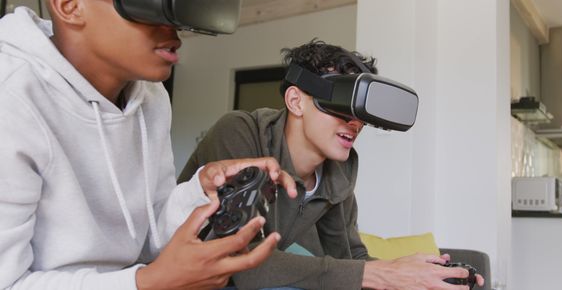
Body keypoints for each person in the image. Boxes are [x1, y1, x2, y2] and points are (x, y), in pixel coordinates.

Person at [0, 0, 298, 289]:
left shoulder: (152, 97)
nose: (174, 30)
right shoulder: (10, 97)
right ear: (69, 5)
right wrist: (149, 282)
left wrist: (201, 190)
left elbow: (149, 233)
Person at [179, 39, 485, 290]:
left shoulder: (337, 174)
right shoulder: (241, 134)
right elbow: (242, 263)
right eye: (341, 106)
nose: (354, 122)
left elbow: (349, 259)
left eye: (359, 112)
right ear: (296, 101)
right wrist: (379, 275)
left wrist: (417, 275)